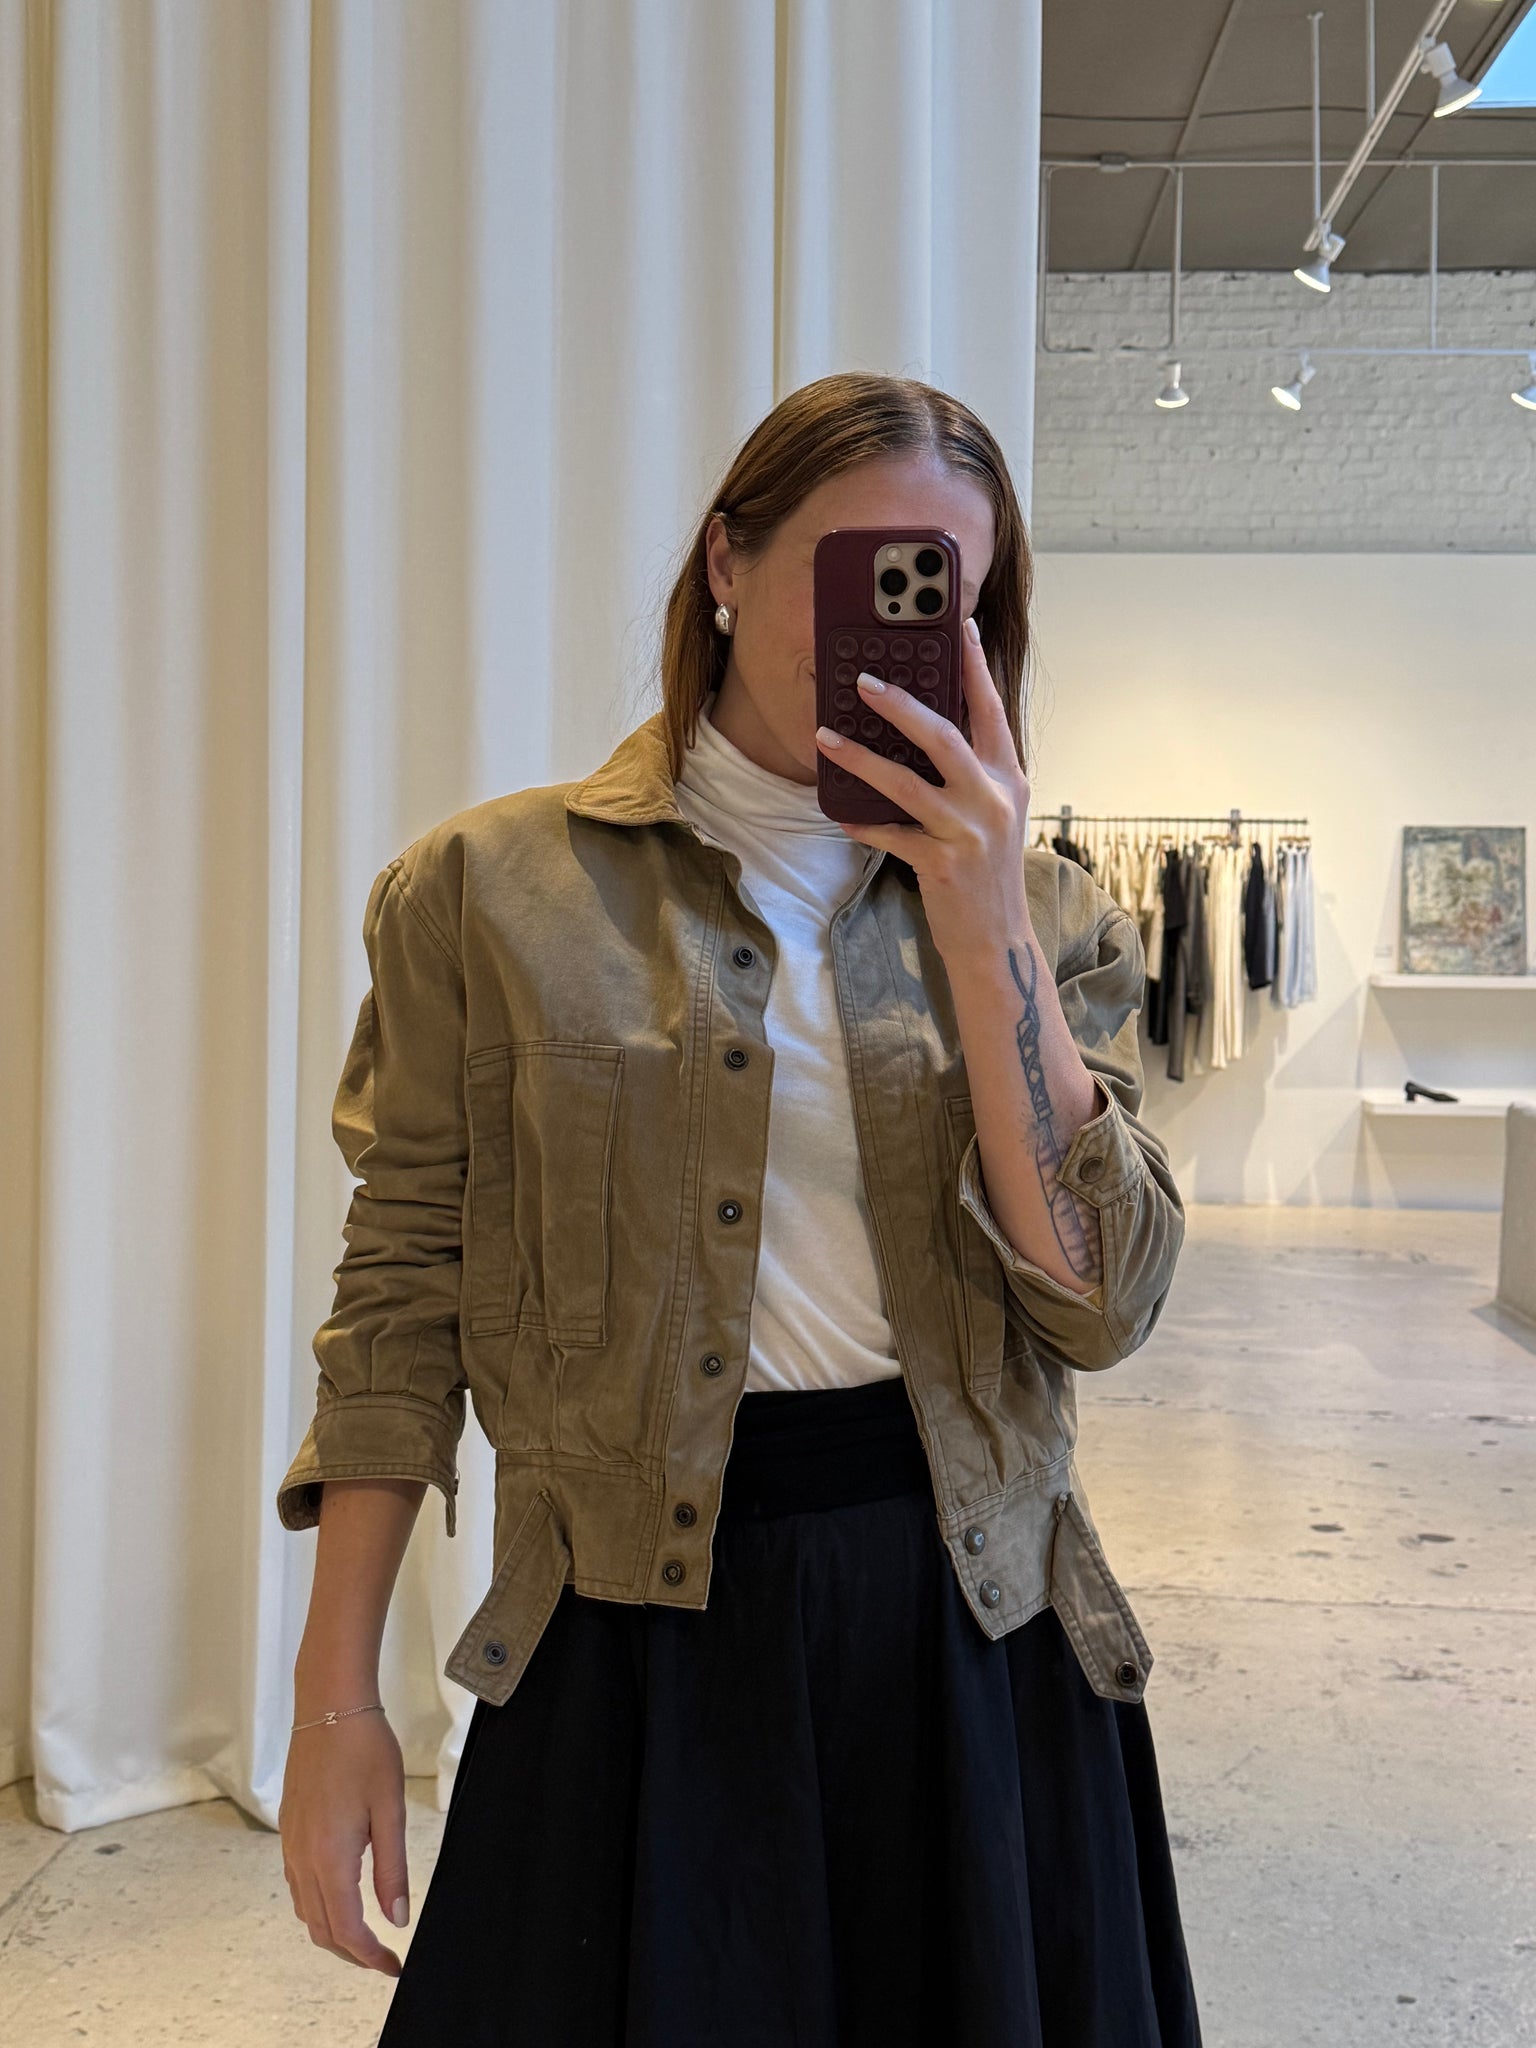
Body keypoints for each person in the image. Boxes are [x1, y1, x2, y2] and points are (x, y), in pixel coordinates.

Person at [276, 371, 1203, 2046]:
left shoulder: (1043, 911)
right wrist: (335, 1694)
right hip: (630, 1633)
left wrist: (984, 917)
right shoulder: (487, 893)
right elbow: (400, 1298)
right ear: (726, 561)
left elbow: (1101, 1302)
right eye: (862, 572)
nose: (896, 630)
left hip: (964, 1628)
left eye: (948, 592)